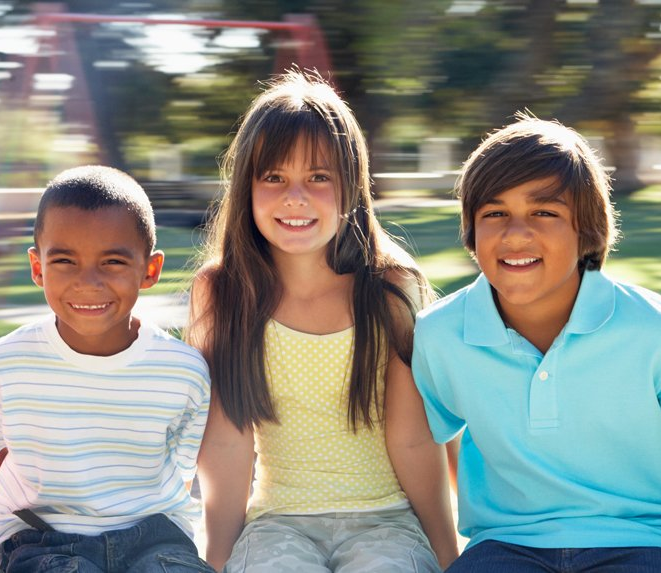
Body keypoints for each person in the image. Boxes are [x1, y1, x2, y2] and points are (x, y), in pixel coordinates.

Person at [187, 70, 458, 572]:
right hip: (277, 523)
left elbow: (414, 436)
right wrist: (219, 559)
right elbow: (226, 440)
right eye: (274, 177)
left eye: (318, 177)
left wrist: (446, 554)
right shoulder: (223, 292)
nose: (296, 197)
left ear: (352, 187)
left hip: (387, 521)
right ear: (246, 185)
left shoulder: (391, 288)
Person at [412, 112, 661, 572]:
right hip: (504, 546)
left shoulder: (652, 329)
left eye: (544, 212)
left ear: (586, 230)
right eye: (494, 213)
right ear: (470, 230)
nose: (516, 233)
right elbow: (432, 437)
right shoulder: (438, 334)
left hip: (642, 541)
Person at [0, 165, 216, 573]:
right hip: (39, 539)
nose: (89, 281)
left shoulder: (183, 371)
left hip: (155, 541)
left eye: (113, 261)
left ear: (149, 270)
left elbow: (184, 469)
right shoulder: (8, 364)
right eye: (65, 260)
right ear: (37, 267)